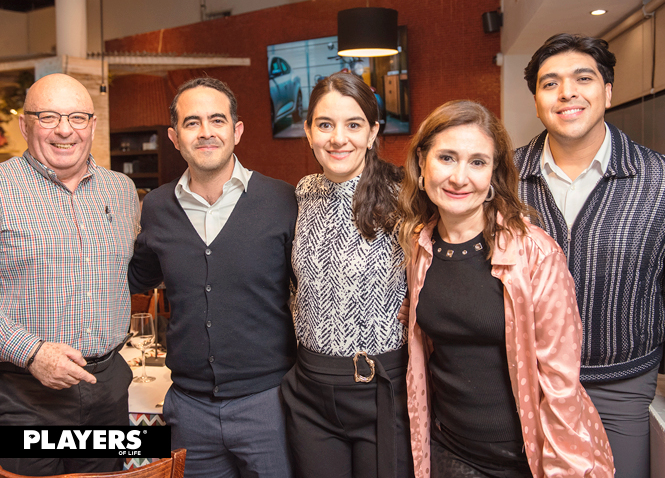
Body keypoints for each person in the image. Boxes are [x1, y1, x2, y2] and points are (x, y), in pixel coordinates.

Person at [398, 100, 614, 478]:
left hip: (528, 457)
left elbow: (560, 386)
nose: (459, 177)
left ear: (494, 173)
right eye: (446, 158)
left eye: (478, 162)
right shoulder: (418, 245)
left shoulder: (536, 252)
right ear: (422, 162)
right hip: (450, 451)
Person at [128, 77, 297, 478]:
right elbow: (134, 278)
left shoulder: (283, 200)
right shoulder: (156, 207)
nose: (206, 132)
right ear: (174, 137)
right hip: (189, 411)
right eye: (192, 123)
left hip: (269, 404)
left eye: (217, 120)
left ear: (236, 131)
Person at [515, 33, 665, 478]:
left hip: (619, 386)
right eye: (550, 83)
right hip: (525, 384)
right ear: (537, 100)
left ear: (608, 91)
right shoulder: (504, 178)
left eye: (584, 78)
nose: (567, 93)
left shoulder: (657, 179)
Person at [0, 73, 140, 475]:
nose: (65, 129)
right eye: (48, 117)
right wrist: (31, 352)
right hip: (22, 395)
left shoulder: (121, 190)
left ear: (92, 125)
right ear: (25, 124)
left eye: (78, 117)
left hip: (107, 389)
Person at [280, 71, 412, 478]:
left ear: (373, 132)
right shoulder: (301, 193)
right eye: (325, 125)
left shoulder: (406, 195)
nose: (338, 138)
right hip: (310, 391)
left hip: (381, 388)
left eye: (353, 125)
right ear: (308, 132)